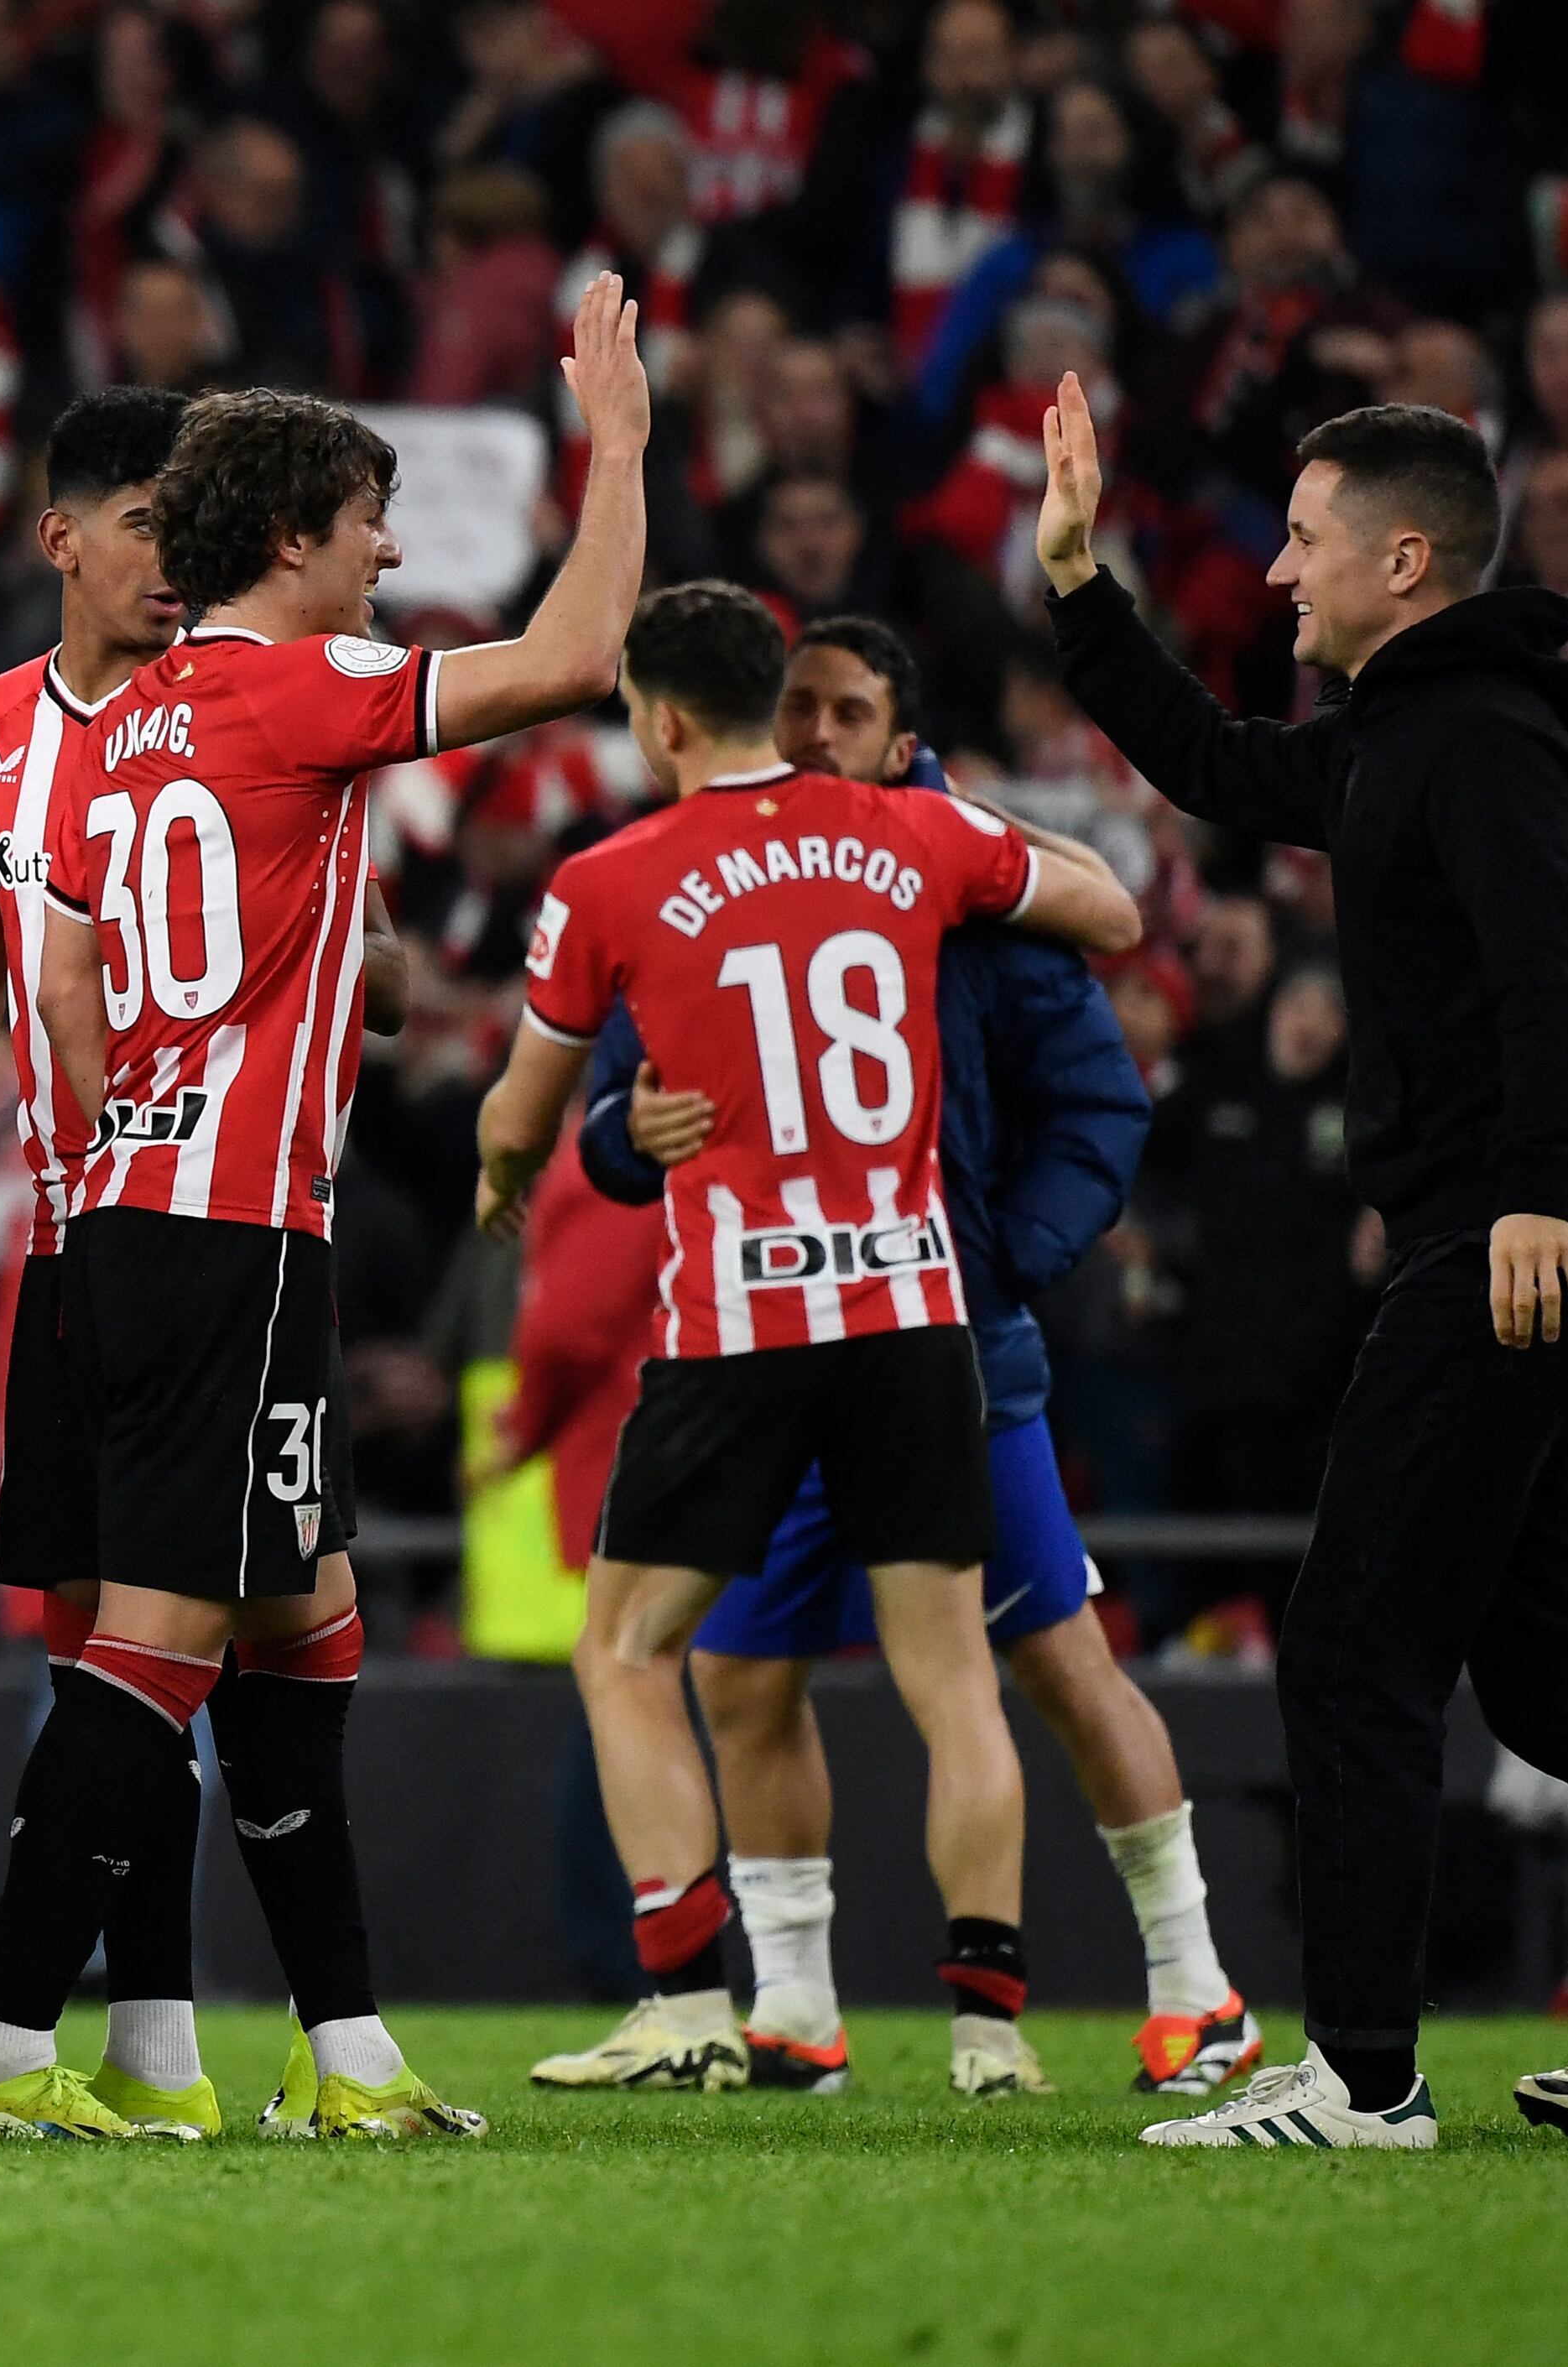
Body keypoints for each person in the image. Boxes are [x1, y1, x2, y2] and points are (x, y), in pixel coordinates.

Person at [0, 275, 651, 2142]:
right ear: (291, 541)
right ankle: (3, 2052)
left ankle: (350, 2056)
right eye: (366, 524)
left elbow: (57, 975)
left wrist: (133, 1111)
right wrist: (622, 440)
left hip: (131, 1211)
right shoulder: (296, 686)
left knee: (304, 1614)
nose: (390, 551)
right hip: (235, 1229)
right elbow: (575, 658)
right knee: (152, 1641)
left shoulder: (111, 726)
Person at [1039, 385, 1568, 2149]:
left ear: (1399, 560)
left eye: (1304, 536)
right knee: (1562, 1685)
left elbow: (1565, 992)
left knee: (1352, 1650)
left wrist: (1517, 1192)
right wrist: (1079, 587)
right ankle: (1358, 2063)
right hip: (1545, 1252)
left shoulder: (1483, 741)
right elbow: (1212, 762)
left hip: (1513, 1253)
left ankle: (1359, 2074)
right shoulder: (1405, 735)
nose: (1273, 570)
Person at [570, 614, 1258, 2099]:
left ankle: (1198, 1986)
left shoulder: (969, 884)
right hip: (765, 1344)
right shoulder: (698, 868)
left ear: (904, 736)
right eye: (797, 707)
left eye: (849, 712)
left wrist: (998, 1260)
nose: (815, 735)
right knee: (746, 1681)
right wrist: (625, 1137)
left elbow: (1099, 1110)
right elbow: (617, 1104)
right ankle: (798, 2014)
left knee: (1060, 1664)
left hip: (946, 1339)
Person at [0, 385, 391, 2134]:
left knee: (262, 1616)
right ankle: (147, 2039)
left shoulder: (219, 702)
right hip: (99, 1243)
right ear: (63, 535)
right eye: (143, 521)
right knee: (119, 1630)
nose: (174, 555)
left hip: (211, 1212)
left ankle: (257, 2042)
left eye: (191, 521)